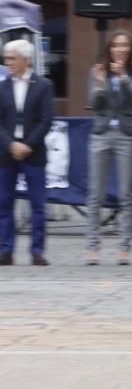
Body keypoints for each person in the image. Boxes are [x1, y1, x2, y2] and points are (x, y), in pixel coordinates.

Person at [85, 30, 132, 265]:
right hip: (101, 133)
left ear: (130, 50)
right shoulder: (97, 71)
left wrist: (122, 78)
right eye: (116, 46)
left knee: (126, 194)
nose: (120, 50)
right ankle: (92, 245)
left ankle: (125, 246)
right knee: (95, 193)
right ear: (109, 49)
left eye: (124, 46)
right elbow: (94, 103)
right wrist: (101, 83)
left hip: (126, 135)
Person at [0, 40, 53, 266]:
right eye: (6, 58)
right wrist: (10, 144)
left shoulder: (43, 85)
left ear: (26, 60)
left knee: (38, 204)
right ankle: (5, 250)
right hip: (6, 153)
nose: (7, 62)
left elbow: (46, 119)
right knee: (4, 203)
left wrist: (28, 145)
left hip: (34, 152)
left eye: (12, 58)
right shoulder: (2, 86)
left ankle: (38, 251)